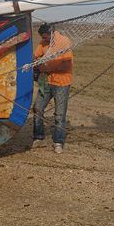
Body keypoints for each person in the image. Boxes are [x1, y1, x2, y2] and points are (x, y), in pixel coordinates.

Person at [30, 22, 74, 154]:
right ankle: (38, 137)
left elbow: (66, 65)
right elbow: (35, 56)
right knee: (37, 109)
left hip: (61, 83)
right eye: (42, 38)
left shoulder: (64, 42)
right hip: (46, 82)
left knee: (59, 115)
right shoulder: (44, 42)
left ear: (52, 34)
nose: (43, 41)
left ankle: (58, 142)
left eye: (45, 38)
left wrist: (47, 68)